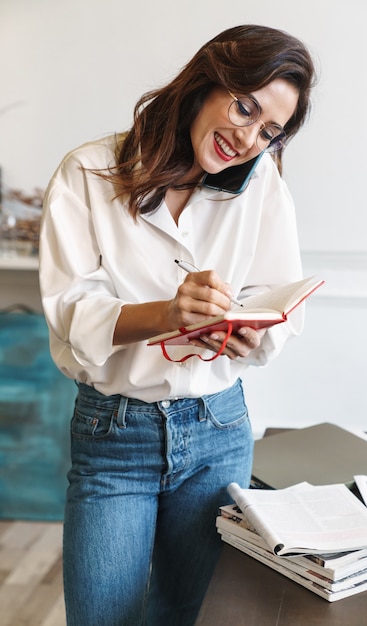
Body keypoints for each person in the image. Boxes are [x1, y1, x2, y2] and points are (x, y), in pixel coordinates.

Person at [39, 23, 315, 626]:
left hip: (218, 426)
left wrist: (255, 331)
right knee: (102, 617)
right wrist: (168, 314)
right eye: (245, 107)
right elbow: (70, 313)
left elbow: (273, 293)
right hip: (115, 433)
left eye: (269, 130)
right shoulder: (87, 174)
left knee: (192, 615)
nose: (248, 139)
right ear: (206, 82)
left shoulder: (261, 184)